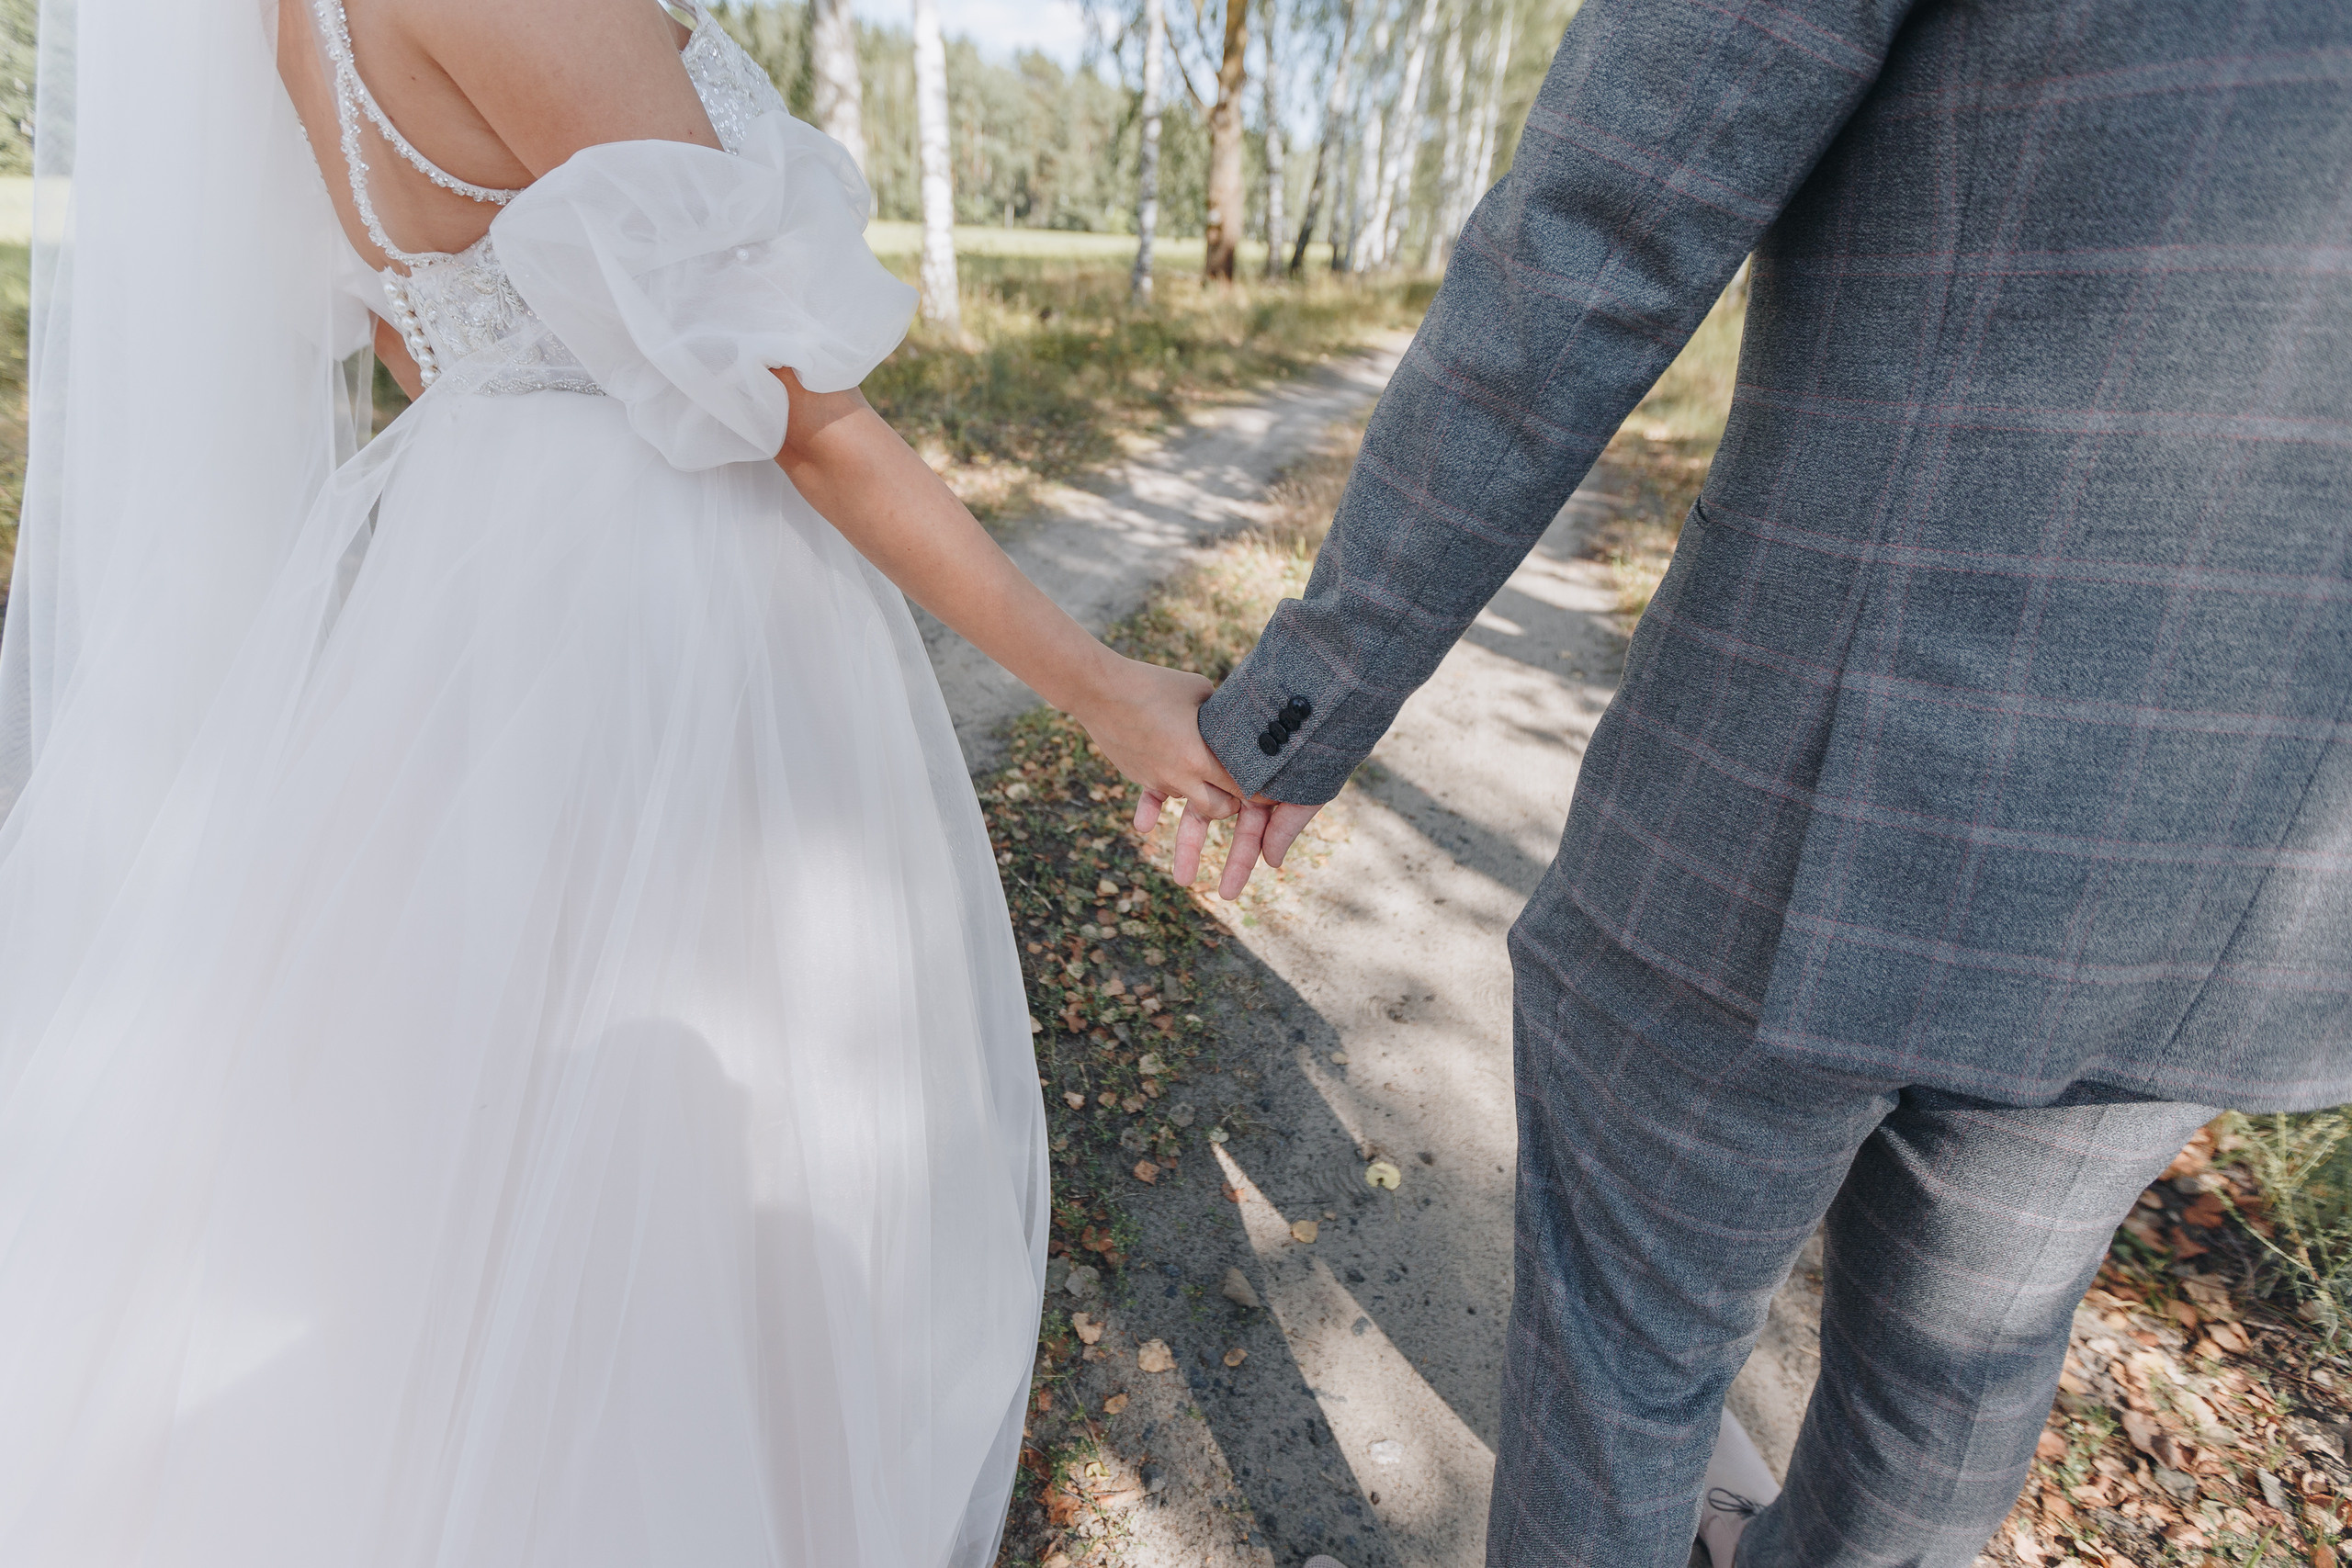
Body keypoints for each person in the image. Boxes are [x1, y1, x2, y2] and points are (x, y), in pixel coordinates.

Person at [0, 0, 1240, 1561]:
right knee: (678, 1188)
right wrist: (1105, 690)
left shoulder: (286, 27)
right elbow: (801, 419)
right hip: (662, 608)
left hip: (461, 589)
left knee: (459, 1156)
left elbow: (415, 322)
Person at [1184, 1, 2352, 1564]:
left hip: (1814, 812)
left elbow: (1600, 240)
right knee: (1945, 1391)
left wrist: (1288, 717)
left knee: (1625, 1365)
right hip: (2239, 885)